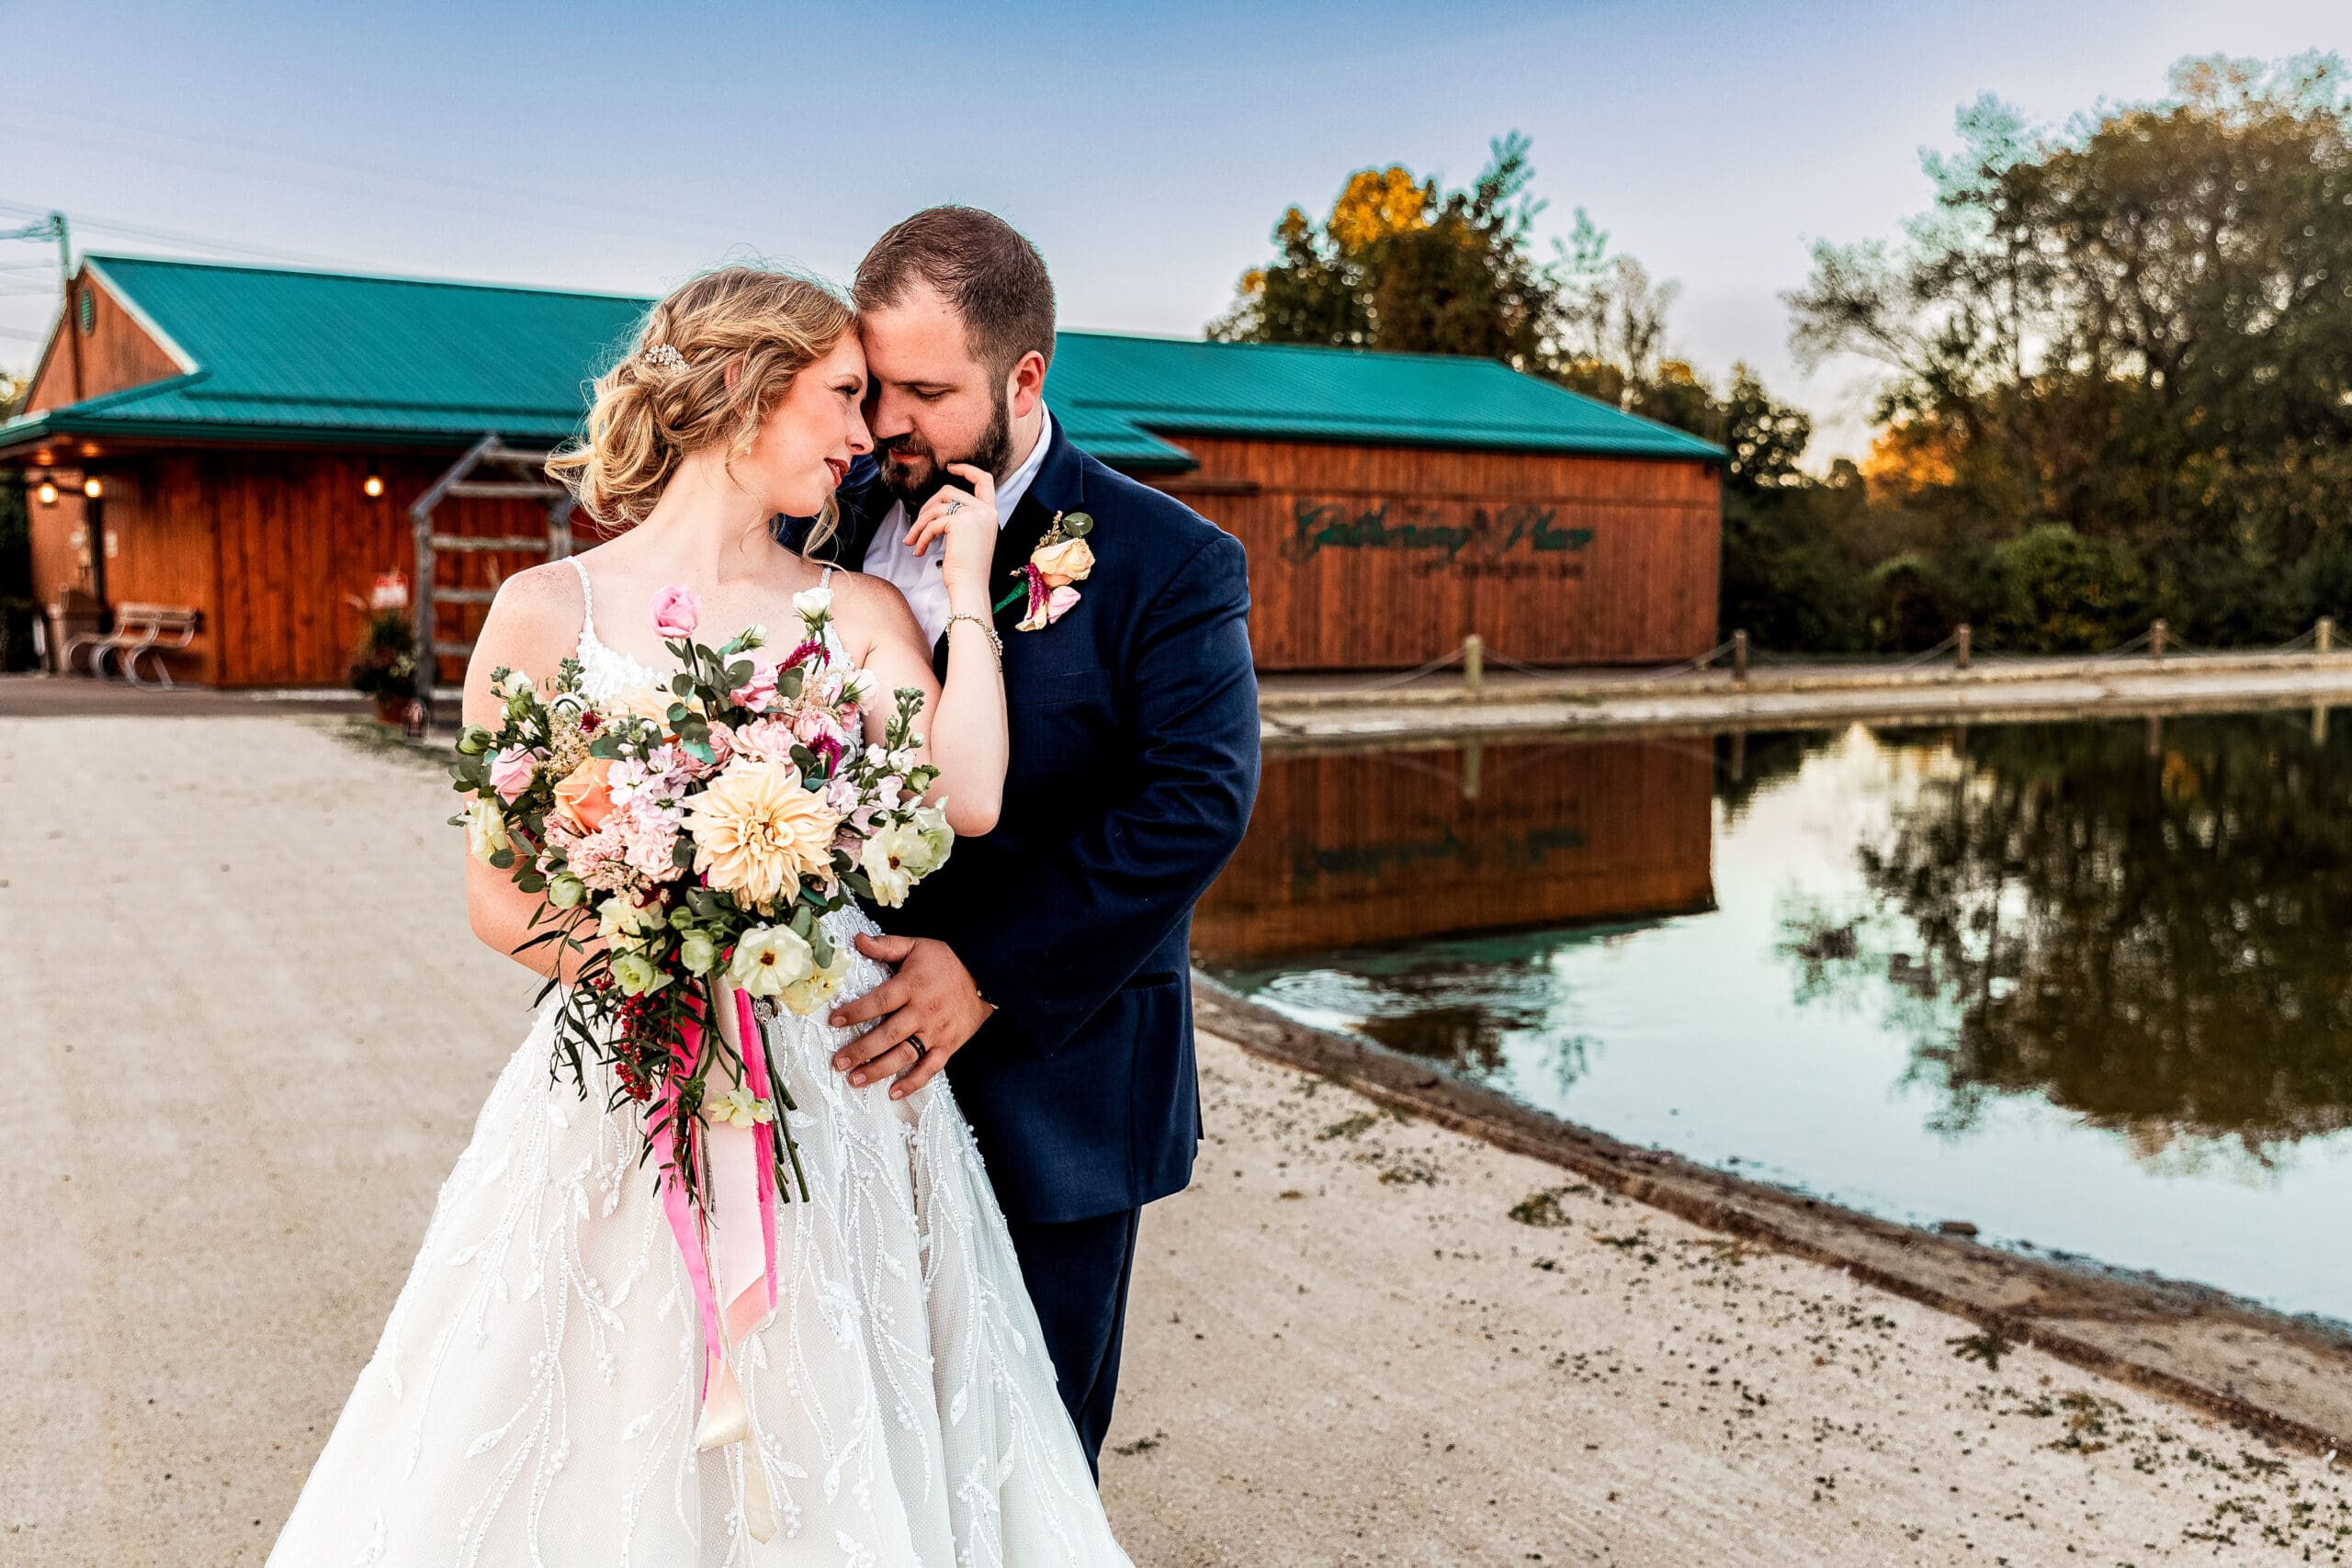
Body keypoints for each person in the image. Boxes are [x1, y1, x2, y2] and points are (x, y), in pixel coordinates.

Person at [267, 265, 1135, 1564]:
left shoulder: (862, 607)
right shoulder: (543, 612)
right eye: (843, 397)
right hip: (634, 1071)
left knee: (839, 1389)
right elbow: (499, 900)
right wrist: (673, 974)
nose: (865, 435)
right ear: (741, 389)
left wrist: (967, 591)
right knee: (606, 1399)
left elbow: (967, 796)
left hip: (837, 1073)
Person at [775, 207, 1261, 1472]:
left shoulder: (1172, 562)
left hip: (1064, 1086)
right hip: (835, 1079)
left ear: (1025, 376)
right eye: (875, 386)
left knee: (1027, 1454)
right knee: (856, 1459)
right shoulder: (810, 536)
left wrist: (983, 969)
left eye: (928, 392)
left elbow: (1193, 805)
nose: (887, 423)